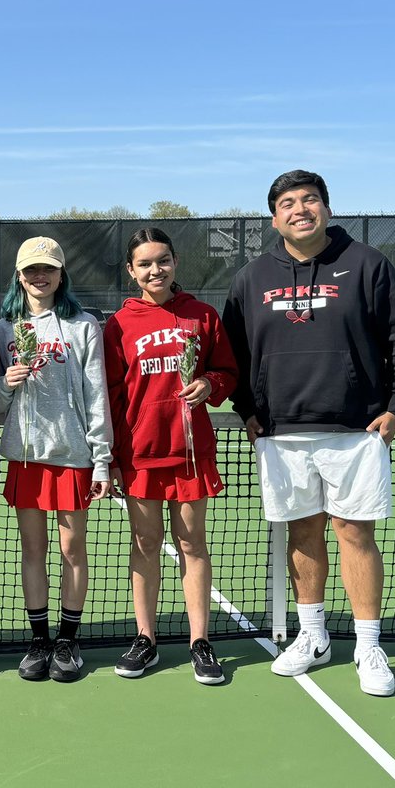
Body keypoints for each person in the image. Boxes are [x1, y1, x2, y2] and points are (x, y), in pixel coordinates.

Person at [223, 169, 395, 696]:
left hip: (356, 430)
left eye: (310, 199)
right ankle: (313, 637)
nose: (300, 209)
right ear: (274, 218)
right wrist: (246, 408)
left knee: (355, 534)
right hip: (281, 432)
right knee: (302, 534)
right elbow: (233, 355)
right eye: (287, 203)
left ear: (327, 209)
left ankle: (367, 644)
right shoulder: (249, 279)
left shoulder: (368, 265)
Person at [104, 227, 238, 685]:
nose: (154, 270)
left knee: (191, 544)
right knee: (145, 545)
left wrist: (211, 384)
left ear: (175, 262)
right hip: (141, 454)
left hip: (191, 454)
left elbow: (227, 371)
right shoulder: (119, 324)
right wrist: (118, 458)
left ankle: (200, 641)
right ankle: (146, 639)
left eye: (162, 260)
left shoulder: (201, 315)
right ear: (131, 271)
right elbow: (113, 395)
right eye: (144, 263)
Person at [0, 237, 112, 682]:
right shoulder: (3, 330)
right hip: (25, 458)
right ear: (19, 276)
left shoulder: (84, 326)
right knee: (32, 550)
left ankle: (68, 641)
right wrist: (7, 383)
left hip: (74, 457)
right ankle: (39, 640)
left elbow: (97, 397)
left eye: (48, 269)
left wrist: (102, 460)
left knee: (73, 550)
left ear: (61, 275)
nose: (40, 277)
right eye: (32, 270)